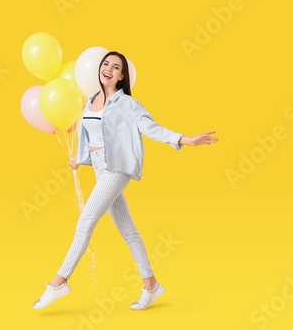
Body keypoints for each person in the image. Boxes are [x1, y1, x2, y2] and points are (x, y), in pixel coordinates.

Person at [33, 51, 219, 310]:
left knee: (85, 223)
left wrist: (185, 139)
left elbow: (151, 128)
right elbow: (89, 135)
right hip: (99, 167)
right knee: (128, 231)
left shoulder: (128, 104)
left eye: (116, 67)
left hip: (116, 168)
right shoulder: (91, 100)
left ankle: (58, 283)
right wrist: (80, 158)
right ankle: (152, 286)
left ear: (121, 76)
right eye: (105, 64)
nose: (108, 68)